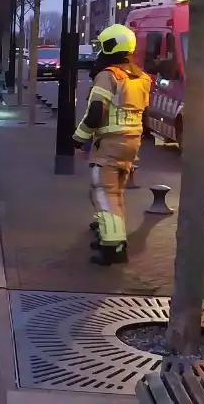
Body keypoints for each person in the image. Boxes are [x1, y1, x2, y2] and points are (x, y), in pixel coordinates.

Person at [73, 23, 150, 266]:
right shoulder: (141, 77)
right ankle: (111, 235)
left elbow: (96, 111)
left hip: (110, 142)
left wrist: (79, 137)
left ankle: (113, 246)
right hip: (132, 143)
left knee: (105, 193)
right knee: (115, 192)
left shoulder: (109, 76)